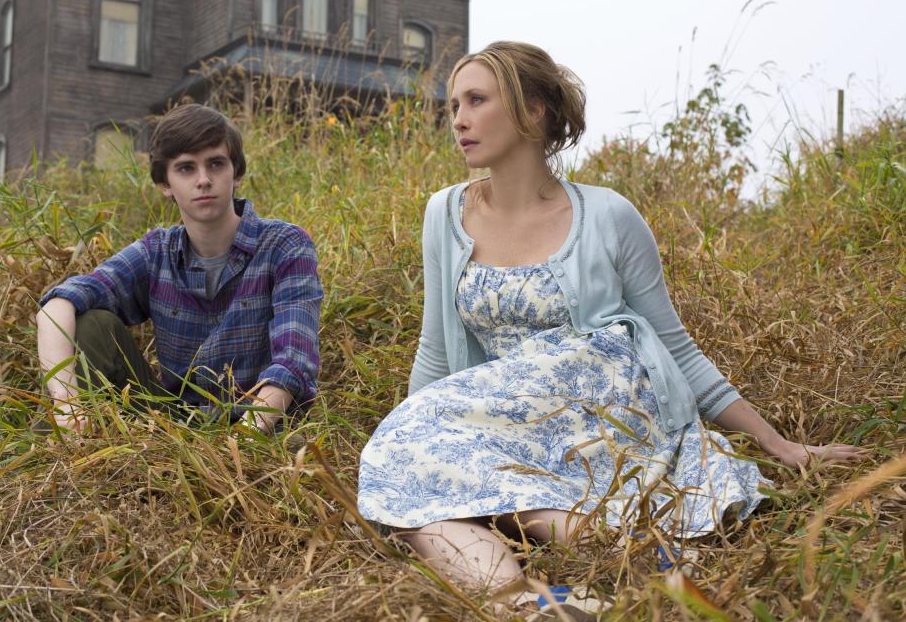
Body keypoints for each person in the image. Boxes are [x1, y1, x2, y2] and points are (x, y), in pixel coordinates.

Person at [356, 42, 865, 619]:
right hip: (501, 416)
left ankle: (636, 552)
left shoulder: (607, 215)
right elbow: (433, 346)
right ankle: (529, 605)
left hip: (599, 413)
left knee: (466, 489)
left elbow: (675, 344)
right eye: (452, 105)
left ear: (534, 111)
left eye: (476, 100)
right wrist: (410, 436)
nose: (458, 120)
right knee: (412, 499)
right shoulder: (443, 213)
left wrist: (779, 443)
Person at [36, 104, 322, 432]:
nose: (203, 180)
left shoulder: (285, 245)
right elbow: (57, 305)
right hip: (175, 422)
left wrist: (240, 449)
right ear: (165, 184)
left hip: (262, 427)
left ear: (236, 173)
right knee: (91, 324)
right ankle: (51, 460)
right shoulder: (157, 251)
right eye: (186, 168)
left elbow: (293, 362)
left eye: (216, 164)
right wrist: (66, 403)